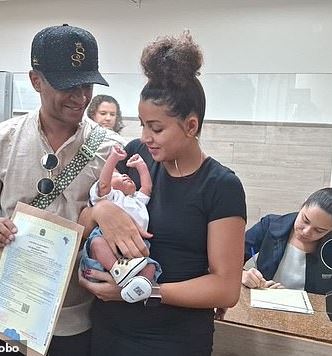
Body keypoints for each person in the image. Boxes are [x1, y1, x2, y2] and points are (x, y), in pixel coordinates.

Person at [0, 24, 134, 356]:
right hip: (8, 313)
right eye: (68, 86)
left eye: (86, 85)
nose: (81, 97)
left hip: (78, 319)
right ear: (35, 80)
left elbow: (125, 229)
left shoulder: (111, 149)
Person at [78, 31, 247, 356]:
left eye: (156, 128)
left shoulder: (220, 186)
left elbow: (226, 289)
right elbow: (84, 223)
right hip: (108, 332)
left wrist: (144, 291)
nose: (146, 137)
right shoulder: (133, 155)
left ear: (191, 126)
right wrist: (100, 211)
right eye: (142, 124)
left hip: (174, 341)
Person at [80, 145, 161, 303]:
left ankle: (137, 285)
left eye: (125, 174)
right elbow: (103, 184)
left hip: (136, 246)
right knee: (97, 243)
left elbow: (147, 187)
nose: (125, 175)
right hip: (106, 239)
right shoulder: (111, 197)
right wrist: (113, 159)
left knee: (151, 267)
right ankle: (117, 270)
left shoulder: (136, 200)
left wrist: (141, 166)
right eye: (117, 175)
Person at [241, 186, 332, 295]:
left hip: (308, 310)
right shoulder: (270, 225)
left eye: (319, 230)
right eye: (305, 220)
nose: (306, 231)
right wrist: (243, 274)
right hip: (262, 301)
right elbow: (229, 258)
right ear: (303, 205)